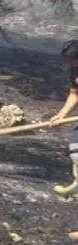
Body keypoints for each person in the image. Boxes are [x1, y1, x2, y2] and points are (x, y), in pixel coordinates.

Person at [50, 40, 78, 195]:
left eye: (71, 60)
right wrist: (61, 115)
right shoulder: (73, 70)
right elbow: (75, 94)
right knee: (76, 144)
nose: (67, 63)